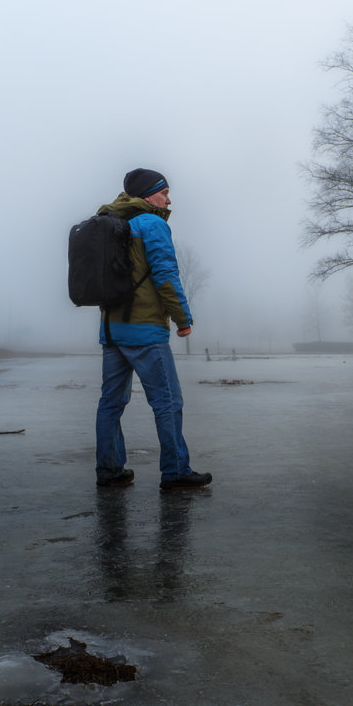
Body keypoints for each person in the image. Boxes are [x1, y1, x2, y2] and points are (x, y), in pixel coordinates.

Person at [94, 168, 212, 491]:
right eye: (164, 192)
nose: (169, 199)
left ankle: (109, 469)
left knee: (110, 403)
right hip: (144, 331)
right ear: (148, 195)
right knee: (168, 401)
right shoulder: (152, 224)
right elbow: (165, 275)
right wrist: (182, 319)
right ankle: (175, 472)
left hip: (112, 330)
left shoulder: (112, 223)